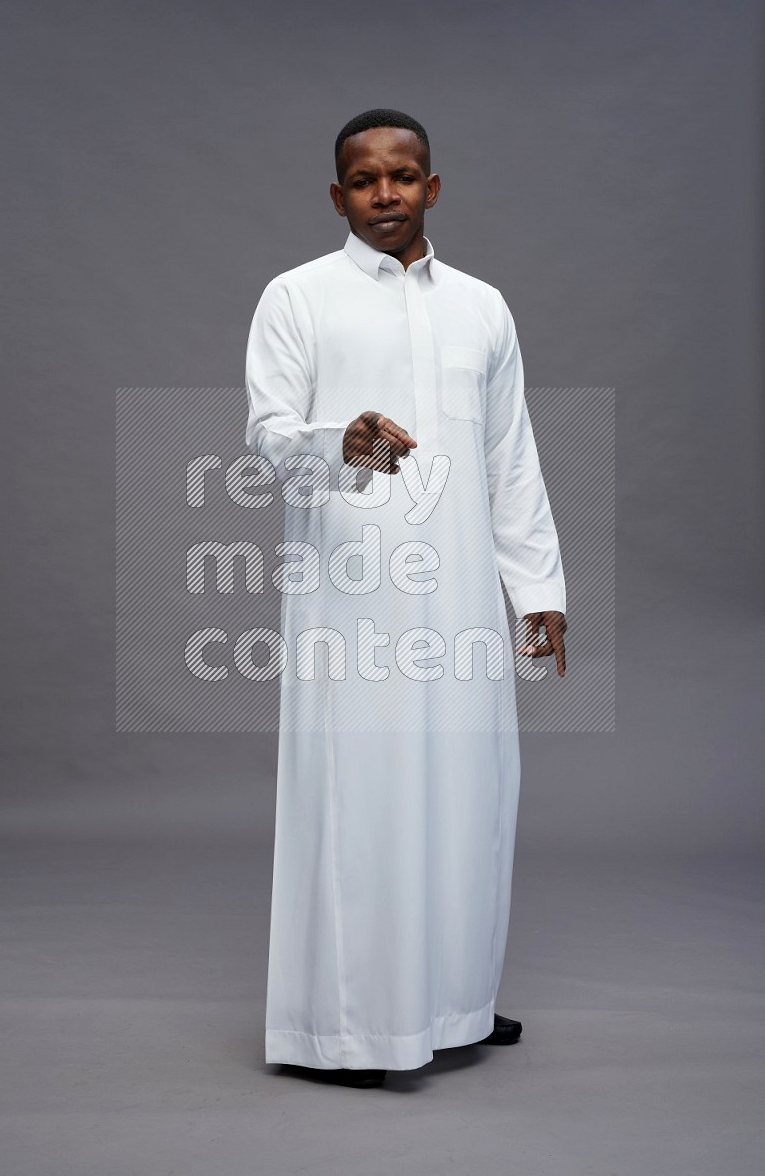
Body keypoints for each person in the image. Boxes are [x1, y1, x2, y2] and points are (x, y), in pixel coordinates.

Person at [244, 108, 567, 1089]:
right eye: (363, 177)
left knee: (470, 797)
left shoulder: (481, 307)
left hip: (462, 594)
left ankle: (452, 1000)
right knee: (363, 803)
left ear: (433, 187)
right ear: (336, 195)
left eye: (403, 174)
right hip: (354, 594)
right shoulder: (297, 297)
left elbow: (509, 455)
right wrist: (336, 441)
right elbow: (266, 431)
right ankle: (345, 1032)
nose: (384, 191)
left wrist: (537, 587)